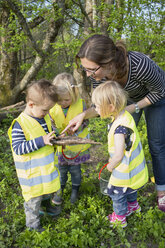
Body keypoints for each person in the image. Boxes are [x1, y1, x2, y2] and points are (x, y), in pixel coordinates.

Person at [62, 34, 165, 212]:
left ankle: (162, 192)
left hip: (156, 98)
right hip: (127, 102)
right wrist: (82, 116)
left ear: (108, 62)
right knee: (121, 145)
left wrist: (132, 109)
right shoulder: (99, 76)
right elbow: (100, 105)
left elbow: (160, 90)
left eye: (91, 69)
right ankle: (127, 185)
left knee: (156, 145)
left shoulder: (140, 65)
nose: (87, 74)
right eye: (85, 69)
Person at [92, 81, 148, 227]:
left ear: (110, 107)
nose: (95, 109)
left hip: (124, 169)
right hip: (134, 167)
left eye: (97, 106)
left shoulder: (119, 129)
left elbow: (118, 155)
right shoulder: (125, 116)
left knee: (117, 193)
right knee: (130, 188)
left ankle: (119, 218)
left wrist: (111, 166)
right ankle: (133, 206)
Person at [8, 79, 61, 232]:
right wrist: (42, 141)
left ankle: (47, 207)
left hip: (45, 170)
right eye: (45, 110)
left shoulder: (42, 116)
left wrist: (55, 136)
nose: (47, 113)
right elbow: (18, 148)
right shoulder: (20, 124)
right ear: (31, 104)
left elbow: (46, 131)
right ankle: (33, 225)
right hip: (32, 174)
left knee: (47, 192)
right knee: (33, 201)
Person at [49, 72, 90, 204]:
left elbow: (86, 121)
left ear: (74, 93)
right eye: (59, 100)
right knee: (61, 171)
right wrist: (55, 133)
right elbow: (51, 124)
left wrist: (78, 129)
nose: (62, 103)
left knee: (75, 170)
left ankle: (74, 191)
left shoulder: (81, 104)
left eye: (66, 100)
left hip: (77, 146)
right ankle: (59, 191)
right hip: (61, 147)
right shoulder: (52, 108)